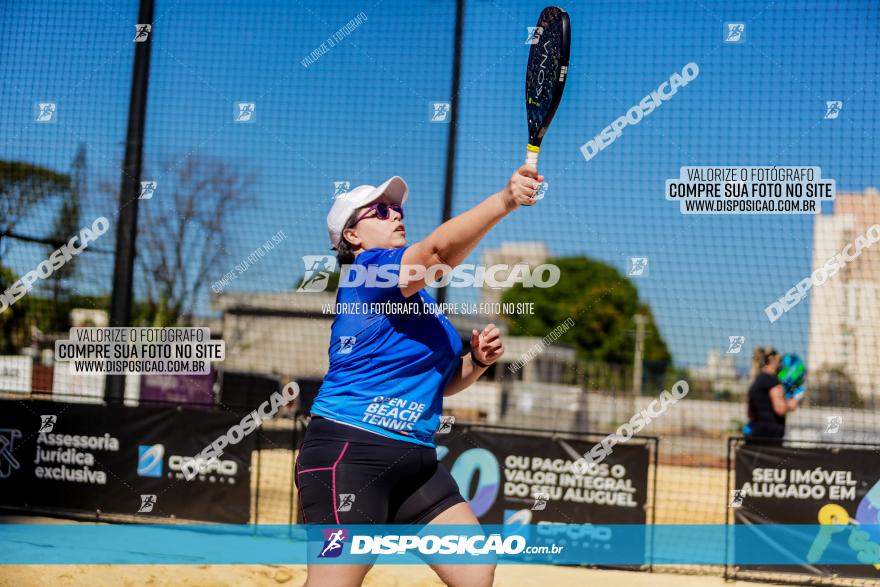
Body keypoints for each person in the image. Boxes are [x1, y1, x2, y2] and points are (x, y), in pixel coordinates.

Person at [295, 165, 543, 587]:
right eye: (379, 211)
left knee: (475, 567)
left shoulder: (417, 301)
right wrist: (505, 200)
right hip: (351, 453)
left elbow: (441, 382)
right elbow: (437, 255)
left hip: (416, 461)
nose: (395, 214)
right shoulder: (368, 273)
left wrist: (477, 362)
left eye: (396, 208)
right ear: (352, 237)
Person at [744, 346, 802, 444]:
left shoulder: (756, 382)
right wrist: (791, 404)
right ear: (771, 360)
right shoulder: (772, 381)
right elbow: (780, 409)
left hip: (755, 435)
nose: (781, 364)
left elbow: (750, 413)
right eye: (779, 360)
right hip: (770, 439)